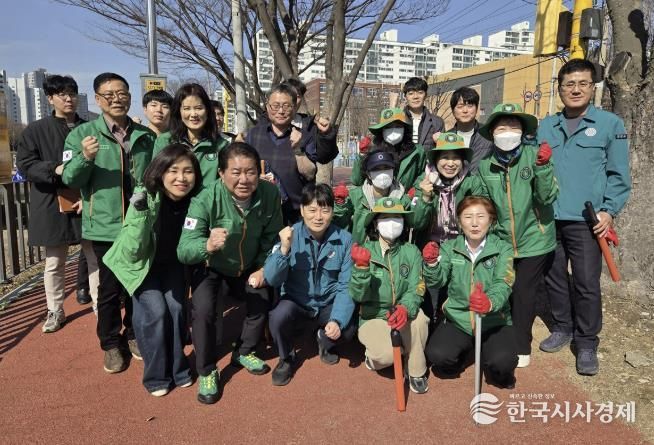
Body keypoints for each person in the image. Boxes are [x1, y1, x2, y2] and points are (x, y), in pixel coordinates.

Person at [537, 59, 631, 376]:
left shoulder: (609, 124)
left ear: (592, 87)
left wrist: (609, 210)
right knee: (554, 278)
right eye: (569, 84)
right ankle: (562, 326)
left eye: (582, 83)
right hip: (549, 218)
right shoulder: (546, 126)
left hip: (586, 220)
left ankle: (587, 341)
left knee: (587, 282)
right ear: (560, 88)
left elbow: (619, 174)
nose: (575, 89)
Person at [62, 72, 156, 373]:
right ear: (98, 99)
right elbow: (69, 178)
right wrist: (85, 157)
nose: (117, 99)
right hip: (105, 226)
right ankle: (111, 343)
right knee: (110, 288)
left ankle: (133, 333)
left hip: (138, 224)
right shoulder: (82, 135)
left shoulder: (145, 136)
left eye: (122, 93)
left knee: (137, 283)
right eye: (109, 94)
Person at [177, 142, 283, 404]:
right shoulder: (205, 199)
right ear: (221, 173)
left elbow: (272, 238)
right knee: (203, 312)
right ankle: (207, 370)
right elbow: (184, 249)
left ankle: (244, 351)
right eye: (236, 172)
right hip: (211, 266)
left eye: (250, 172)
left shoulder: (270, 194)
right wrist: (206, 245)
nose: (244, 180)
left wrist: (262, 268)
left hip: (248, 265)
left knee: (262, 295)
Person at [103, 144, 202, 396]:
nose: (181, 178)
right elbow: (132, 250)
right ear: (160, 171)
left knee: (177, 309)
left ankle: (179, 369)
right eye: (173, 170)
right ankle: (156, 376)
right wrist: (140, 215)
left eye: (188, 171)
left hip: (172, 264)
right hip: (141, 265)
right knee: (155, 312)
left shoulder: (197, 201)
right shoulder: (145, 197)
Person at [474, 103, 557, 369]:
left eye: (513, 126)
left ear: (522, 131)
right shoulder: (486, 165)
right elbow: (484, 204)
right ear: (492, 133)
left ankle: (522, 345)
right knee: (503, 288)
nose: (507, 132)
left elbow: (547, 197)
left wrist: (543, 167)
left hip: (535, 238)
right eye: (501, 128)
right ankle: (501, 335)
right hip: (502, 239)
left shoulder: (535, 156)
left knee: (523, 291)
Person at [15, 74, 99, 332]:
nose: (68, 99)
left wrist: (90, 196)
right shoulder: (36, 130)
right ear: (50, 98)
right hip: (52, 203)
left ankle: (101, 307)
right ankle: (55, 310)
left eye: (72, 93)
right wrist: (55, 169)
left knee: (95, 258)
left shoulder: (91, 127)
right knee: (54, 262)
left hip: (88, 202)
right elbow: (25, 165)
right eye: (62, 94)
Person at [265, 184, 356, 386]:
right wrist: (284, 249)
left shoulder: (345, 240)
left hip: (327, 303)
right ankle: (286, 358)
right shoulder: (289, 235)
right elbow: (271, 278)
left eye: (325, 210)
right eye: (312, 210)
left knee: (348, 327)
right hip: (297, 302)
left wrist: (337, 320)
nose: (318, 217)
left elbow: (346, 285)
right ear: (302, 210)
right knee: (278, 317)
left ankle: (324, 341)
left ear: (332, 211)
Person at [423, 196, 517, 388]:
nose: (474, 223)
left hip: (494, 321)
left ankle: (494, 364)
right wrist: (432, 265)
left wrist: (489, 302)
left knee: (503, 362)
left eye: (481, 216)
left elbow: (504, 282)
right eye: (467, 217)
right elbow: (437, 281)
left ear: (491, 220)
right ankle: (463, 354)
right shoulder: (450, 248)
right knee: (438, 355)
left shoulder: (503, 248)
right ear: (459, 221)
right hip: (459, 319)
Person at [349, 197, 430, 394]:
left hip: (402, 312)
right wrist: (361, 269)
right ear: (376, 224)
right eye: (385, 218)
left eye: (397, 218)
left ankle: (416, 370)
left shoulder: (411, 251)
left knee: (420, 320)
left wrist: (405, 308)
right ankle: (377, 358)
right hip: (373, 316)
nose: (392, 223)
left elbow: (417, 287)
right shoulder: (365, 251)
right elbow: (358, 295)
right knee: (386, 356)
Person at [411, 132, 481, 325]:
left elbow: (480, 216)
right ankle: (430, 327)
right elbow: (416, 222)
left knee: (453, 294)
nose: (450, 163)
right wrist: (425, 198)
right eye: (445, 157)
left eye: (455, 158)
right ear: (435, 160)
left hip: (459, 246)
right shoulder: (423, 181)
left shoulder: (471, 182)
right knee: (427, 295)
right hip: (429, 245)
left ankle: (449, 326)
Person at [246, 83, 330, 224]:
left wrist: (297, 149)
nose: (281, 111)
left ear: (294, 108)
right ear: (267, 107)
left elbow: (310, 173)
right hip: (261, 211)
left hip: (296, 214)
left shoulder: (305, 136)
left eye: (286, 106)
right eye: (275, 105)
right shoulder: (254, 135)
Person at [332, 149, 431, 244]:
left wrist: (424, 199)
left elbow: (417, 223)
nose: (382, 173)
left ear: (393, 171)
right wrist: (340, 204)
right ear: (368, 174)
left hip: (393, 253)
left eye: (386, 168)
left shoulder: (402, 199)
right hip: (361, 251)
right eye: (377, 169)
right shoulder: (355, 196)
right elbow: (339, 224)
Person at [154, 83, 229, 186]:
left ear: (207, 111)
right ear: (179, 112)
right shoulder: (165, 141)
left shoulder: (221, 145)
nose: (193, 114)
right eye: (187, 108)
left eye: (198, 108)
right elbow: (154, 179)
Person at [349, 108, 427, 190]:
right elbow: (357, 181)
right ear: (381, 130)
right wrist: (362, 156)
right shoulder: (373, 151)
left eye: (398, 126)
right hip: (379, 197)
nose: (393, 130)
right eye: (388, 127)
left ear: (405, 129)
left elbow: (422, 175)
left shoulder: (417, 151)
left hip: (407, 197)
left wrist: (416, 190)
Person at [446, 87, 493, 173]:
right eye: (460, 106)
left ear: (477, 108)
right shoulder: (446, 137)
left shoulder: (488, 133)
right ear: (453, 111)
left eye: (470, 106)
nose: (465, 111)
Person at [402, 76, 445, 151]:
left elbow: (442, 151)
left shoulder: (437, 122)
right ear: (405, 96)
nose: (415, 97)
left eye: (420, 93)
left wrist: (440, 142)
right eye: (411, 93)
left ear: (425, 95)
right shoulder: (397, 120)